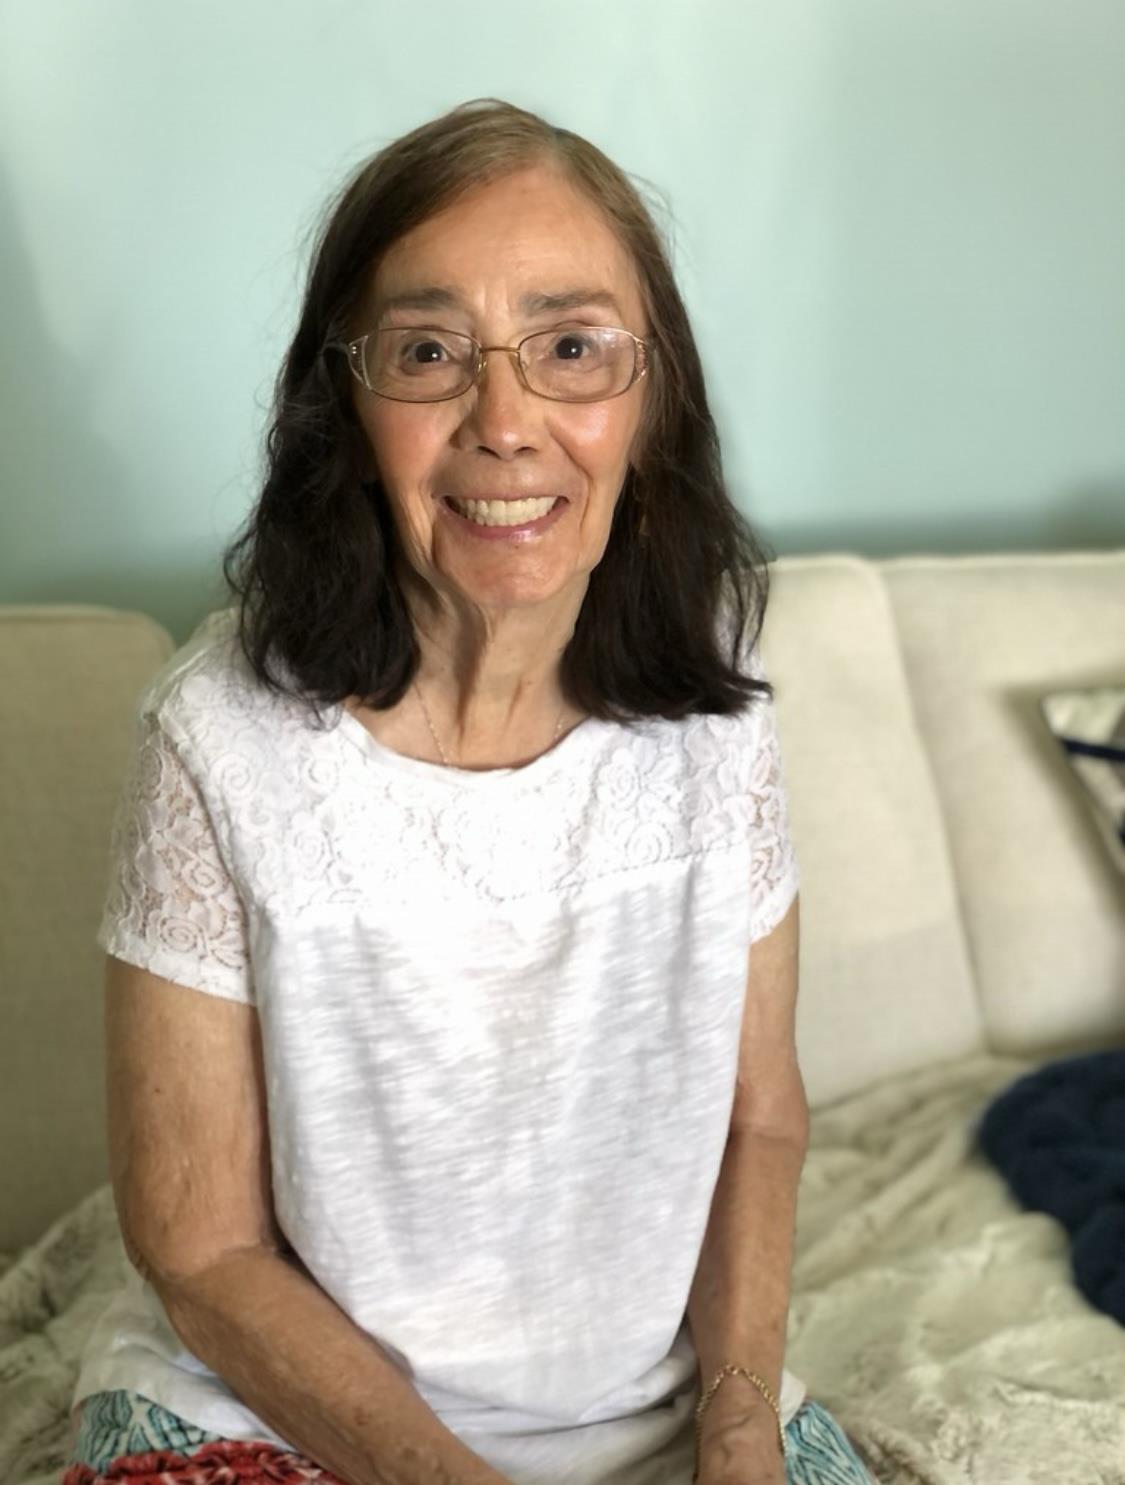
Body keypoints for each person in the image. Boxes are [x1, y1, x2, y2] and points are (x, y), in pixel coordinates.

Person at [62, 98, 878, 1485]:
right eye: (431, 353)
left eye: (571, 349)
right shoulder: (218, 737)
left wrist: (738, 1426)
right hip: (275, 1418)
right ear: (347, 405)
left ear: (651, 395)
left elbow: (759, 1115)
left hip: (655, 1411)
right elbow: (201, 1248)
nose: (506, 424)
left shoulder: (717, 708)